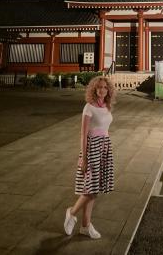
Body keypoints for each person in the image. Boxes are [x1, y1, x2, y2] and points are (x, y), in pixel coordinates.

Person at [64, 76, 115, 239]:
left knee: (95, 189)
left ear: (108, 90)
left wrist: (105, 146)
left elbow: (104, 127)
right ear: (94, 89)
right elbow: (83, 134)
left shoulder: (106, 106)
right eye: (99, 87)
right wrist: (84, 157)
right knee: (90, 189)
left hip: (104, 147)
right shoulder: (89, 107)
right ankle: (71, 213)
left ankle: (85, 226)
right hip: (91, 148)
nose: (102, 90)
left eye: (105, 87)